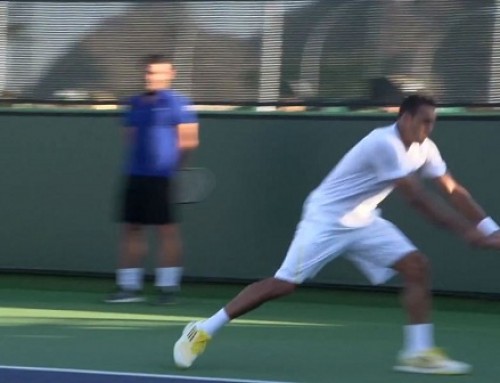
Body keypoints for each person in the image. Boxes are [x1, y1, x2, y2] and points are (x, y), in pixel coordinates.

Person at [173, 95, 500, 374]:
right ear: (405, 117)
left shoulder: (424, 148)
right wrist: (467, 234)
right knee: (284, 284)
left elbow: (453, 189)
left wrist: (490, 229)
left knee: (417, 267)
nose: (428, 129)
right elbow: (417, 198)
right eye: (423, 121)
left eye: (433, 122)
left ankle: (418, 353)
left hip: (363, 220)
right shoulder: (383, 143)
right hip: (326, 219)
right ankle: (203, 329)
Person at [106, 55, 199, 305]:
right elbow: (131, 137)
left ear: (171, 74)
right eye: (149, 72)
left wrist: (175, 170)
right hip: (135, 175)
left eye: (158, 73)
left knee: (167, 231)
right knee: (131, 228)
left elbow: (189, 140)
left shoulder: (179, 103)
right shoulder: (135, 103)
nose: (152, 77)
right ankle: (128, 288)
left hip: (163, 178)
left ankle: (168, 289)